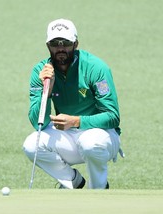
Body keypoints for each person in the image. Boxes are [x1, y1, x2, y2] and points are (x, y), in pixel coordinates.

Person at [23, 18, 124, 189]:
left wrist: (76, 121)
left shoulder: (96, 67)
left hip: (101, 135)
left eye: (66, 43)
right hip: (67, 135)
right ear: (48, 45)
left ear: (75, 43)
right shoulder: (41, 71)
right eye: (55, 43)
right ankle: (72, 180)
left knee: (90, 143)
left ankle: (98, 189)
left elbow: (113, 117)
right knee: (31, 145)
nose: (60, 48)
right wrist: (46, 90)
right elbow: (37, 123)